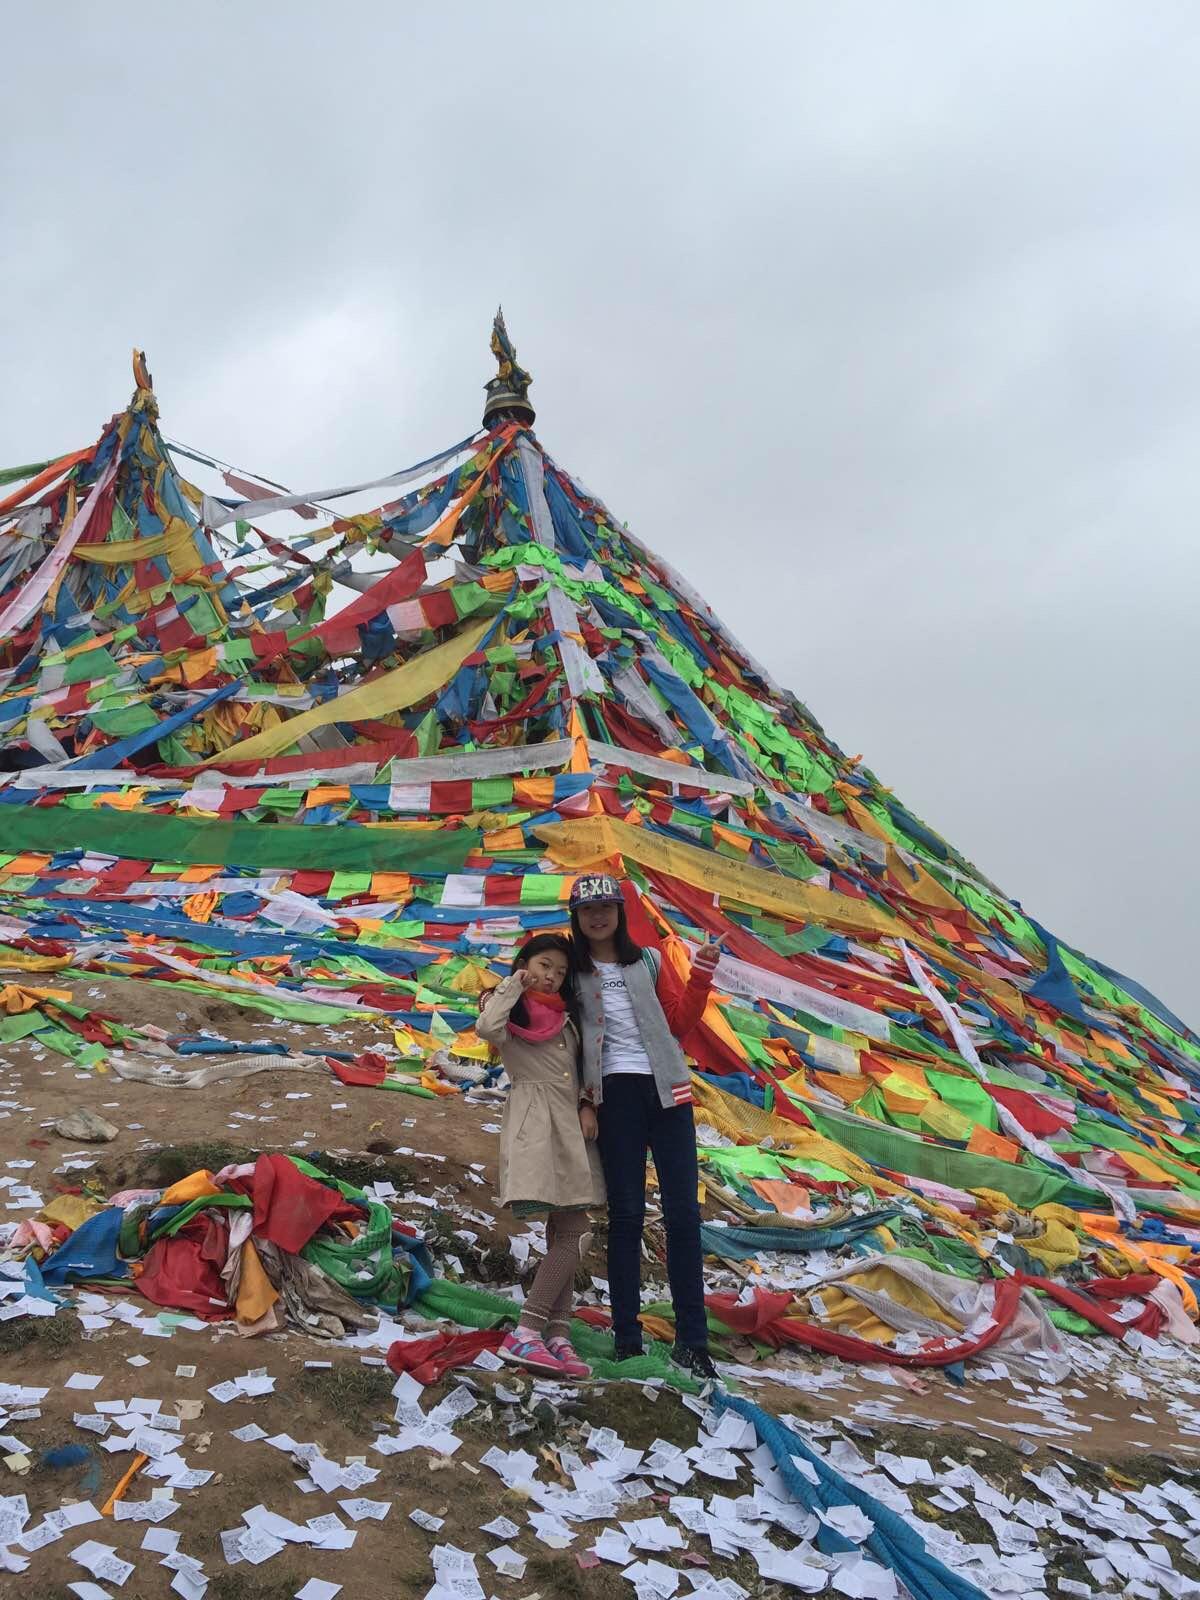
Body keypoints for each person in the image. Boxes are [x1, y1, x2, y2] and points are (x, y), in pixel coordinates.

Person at [569, 873, 720, 1380]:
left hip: (669, 1092)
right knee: (627, 1216)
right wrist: (584, 1102)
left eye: (606, 907)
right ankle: (626, 1338)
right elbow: (561, 1037)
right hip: (615, 1096)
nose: (598, 916)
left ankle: (693, 1342)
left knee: (683, 1217)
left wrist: (701, 974)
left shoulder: (649, 961)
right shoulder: (571, 972)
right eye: (588, 909)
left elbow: (679, 1023)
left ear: (619, 911)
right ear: (577, 917)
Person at [475, 932, 605, 1377]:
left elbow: (582, 1068)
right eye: (545, 965)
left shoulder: (566, 1016)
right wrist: (514, 983)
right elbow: (487, 1030)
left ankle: (558, 1334)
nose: (552, 978)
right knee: (575, 1232)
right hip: (536, 1125)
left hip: (570, 1127)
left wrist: (588, 1102)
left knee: (564, 1229)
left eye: (561, 972)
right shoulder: (509, 1006)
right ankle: (527, 1331)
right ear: (526, 962)